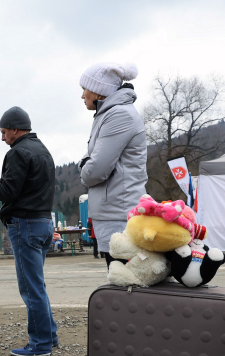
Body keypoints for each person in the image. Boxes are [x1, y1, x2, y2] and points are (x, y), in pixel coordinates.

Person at [0, 106, 58, 356]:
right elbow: (26, 188)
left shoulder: (18, 153)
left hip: (25, 225)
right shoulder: (42, 149)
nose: (2, 138)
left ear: (14, 128)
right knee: (38, 284)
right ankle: (49, 336)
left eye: (3, 132)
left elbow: (7, 193)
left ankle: (40, 343)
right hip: (44, 221)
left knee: (31, 288)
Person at [78, 62, 147, 269]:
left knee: (127, 285)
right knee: (121, 283)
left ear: (99, 91)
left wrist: (84, 169)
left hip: (119, 216)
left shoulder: (118, 115)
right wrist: (87, 163)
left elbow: (94, 171)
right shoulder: (108, 114)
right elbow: (91, 159)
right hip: (113, 213)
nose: (82, 96)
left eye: (85, 89)